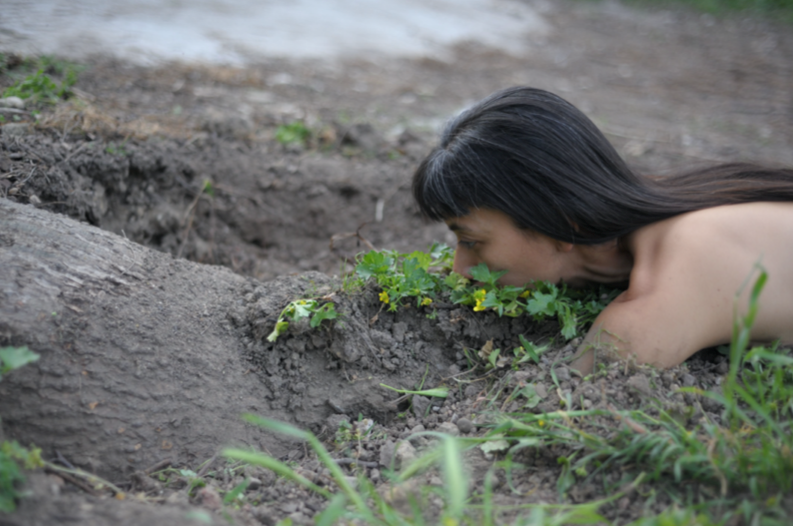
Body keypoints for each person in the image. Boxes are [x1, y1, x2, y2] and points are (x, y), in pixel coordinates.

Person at [412, 86, 793, 374]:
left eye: (471, 241)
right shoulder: (664, 202)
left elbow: (568, 397)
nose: (459, 269)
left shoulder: (666, 286)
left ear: (560, 223)